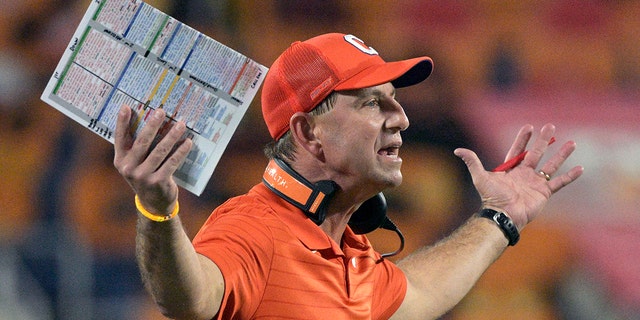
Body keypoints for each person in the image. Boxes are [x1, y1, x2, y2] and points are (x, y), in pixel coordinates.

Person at [113, 33, 583, 319]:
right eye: (373, 102)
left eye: (395, 99)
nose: (401, 117)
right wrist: (157, 209)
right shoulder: (254, 228)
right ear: (309, 132)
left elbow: (418, 291)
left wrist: (500, 217)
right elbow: (189, 299)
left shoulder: (349, 250)